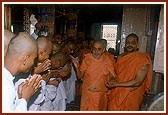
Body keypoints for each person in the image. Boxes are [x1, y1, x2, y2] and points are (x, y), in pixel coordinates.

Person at [106, 33, 152, 111]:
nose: (130, 45)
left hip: (132, 92)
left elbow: (138, 82)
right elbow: (115, 74)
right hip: (117, 92)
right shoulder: (120, 57)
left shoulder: (142, 59)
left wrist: (117, 84)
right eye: (128, 42)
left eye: (133, 43)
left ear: (137, 45)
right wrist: (112, 80)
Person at [71, 40, 116, 111]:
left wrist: (109, 82)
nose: (96, 52)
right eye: (94, 49)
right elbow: (79, 77)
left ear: (103, 50)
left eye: (99, 49)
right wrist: (77, 67)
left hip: (100, 96)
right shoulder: (87, 59)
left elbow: (112, 77)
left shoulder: (108, 61)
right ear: (92, 49)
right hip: (87, 94)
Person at [3, 32, 42, 112]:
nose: (33, 64)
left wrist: (18, 97)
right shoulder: (6, 86)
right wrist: (25, 99)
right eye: (34, 59)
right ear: (25, 59)